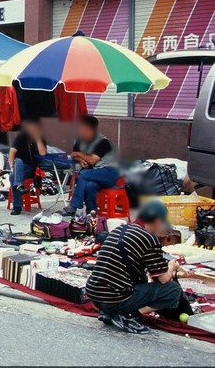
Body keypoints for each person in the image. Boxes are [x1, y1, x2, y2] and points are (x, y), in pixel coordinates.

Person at [87, 199, 185, 334]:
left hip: (94, 295)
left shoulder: (119, 229)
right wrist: (172, 266)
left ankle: (109, 312)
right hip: (113, 298)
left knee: (141, 278)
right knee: (172, 290)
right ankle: (128, 315)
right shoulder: (149, 238)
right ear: (157, 220)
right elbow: (163, 279)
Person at [63, 115, 119, 217]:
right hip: (94, 173)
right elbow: (73, 154)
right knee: (90, 186)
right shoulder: (80, 141)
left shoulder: (103, 142)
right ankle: (91, 213)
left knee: (84, 173)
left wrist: (79, 155)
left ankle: (74, 206)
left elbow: (92, 160)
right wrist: (81, 160)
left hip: (109, 172)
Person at [7, 118, 47, 216]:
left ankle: (17, 205)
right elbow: (12, 152)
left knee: (14, 175)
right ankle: (17, 202)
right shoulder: (21, 136)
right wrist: (11, 167)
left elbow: (43, 154)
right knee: (16, 167)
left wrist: (37, 138)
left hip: (31, 169)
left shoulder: (41, 138)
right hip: (18, 167)